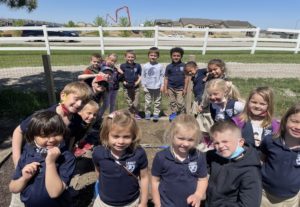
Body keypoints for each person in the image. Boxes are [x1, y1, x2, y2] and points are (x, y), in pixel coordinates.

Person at [11, 81, 92, 167]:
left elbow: (71, 138)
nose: (79, 104)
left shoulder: (77, 120)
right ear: (63, 96)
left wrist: (67, 156)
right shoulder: (44, 115)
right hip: (33, 160)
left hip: (54, 162)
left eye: (83, 102)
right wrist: (17, 159)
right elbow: (18, 131)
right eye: (76, 99)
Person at [9, 111, 76, 207]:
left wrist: (51, 163)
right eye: (44, 135)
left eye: (57, 134)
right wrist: (24, 178)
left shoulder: (66, 157)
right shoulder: (28, 153)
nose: (52, 139)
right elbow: (13, 188)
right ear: (33, 136)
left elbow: (54, 193)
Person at [92, 110, 149, 207]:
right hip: (104, 203)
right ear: (106, 134)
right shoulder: (98, 153)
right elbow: (98, 172)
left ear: (133, 136)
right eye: (115, 136)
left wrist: (144, 202)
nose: (121, 141)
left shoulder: (139, 153)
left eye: (126, 137)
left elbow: (144, 177)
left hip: (131, 202)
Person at [151, 114, 208, 207]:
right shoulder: (161, 157)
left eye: (190, 140)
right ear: (172, 135)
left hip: (190, 204)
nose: (185, 143)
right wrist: (157, 204)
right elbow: (155, 181)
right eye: (181, 138)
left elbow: (202, 180)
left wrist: (198, 195)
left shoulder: (199, 157)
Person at [205, 121, 262, 207]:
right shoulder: (213, 156)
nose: (220, 146)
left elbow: (249, 204)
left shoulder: (250, 171)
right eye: (216, 143)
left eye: (225, 141)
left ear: (240, 142)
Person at [260, 103, 300, 207]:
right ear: (285, 120)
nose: (298, 127)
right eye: (295, 121)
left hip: (290, 200)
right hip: (264, 195)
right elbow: (262, 160)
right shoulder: (270, 141)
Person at [164, 47, 188, 121]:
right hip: (170, 87)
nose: (176, 57)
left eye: (178, 56)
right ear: (171, 56)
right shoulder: (169, 67)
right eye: (174, 55)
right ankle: (174, 113)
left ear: (181, 56)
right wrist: (165, 88)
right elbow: (166, 78)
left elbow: (186, 77)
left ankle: (181, 114)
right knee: (172, 102)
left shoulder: (184, 66)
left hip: (180, 88)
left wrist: (185, 88)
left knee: (180, 102)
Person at [141, 47, 165, 122]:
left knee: (157, 102)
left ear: (158, 56)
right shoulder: (145, 66)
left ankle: (156, 114)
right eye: (151, 55)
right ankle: (147, 113)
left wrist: (162, 85)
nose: (153, 57)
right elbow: (143, 76)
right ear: (148, 56)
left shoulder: (160, 66)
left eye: (155, 55)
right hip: (148, 87)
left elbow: (162, 76)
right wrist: (144, 85)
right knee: (148, 102)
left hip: (157, 87)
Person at [98, 53, 122, 118]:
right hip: (106, 88)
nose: (112, 62)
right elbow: (99, 76)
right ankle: (98, 117)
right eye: (111, 60)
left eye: (114, 61)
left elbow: (118, 78)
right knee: (106, 104)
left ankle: (111, 117)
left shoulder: (115, 69)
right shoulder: (102, 66)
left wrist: (120, 73)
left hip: (114, 88)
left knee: (113, 104)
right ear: (107, 58)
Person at [120, 50, 142, 119]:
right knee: (129, 101)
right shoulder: (123, 66)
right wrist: (124, 81)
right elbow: (121, 76)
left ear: (135, 58)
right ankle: (132, 113)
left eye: (132, 57)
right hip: (127, 87)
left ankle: (136, 113)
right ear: (125, 57)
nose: (130, 58)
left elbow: (140, 75)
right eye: (128, 57)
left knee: (136, 101)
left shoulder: (137, 66)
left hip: (136, 87)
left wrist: (137, 82)